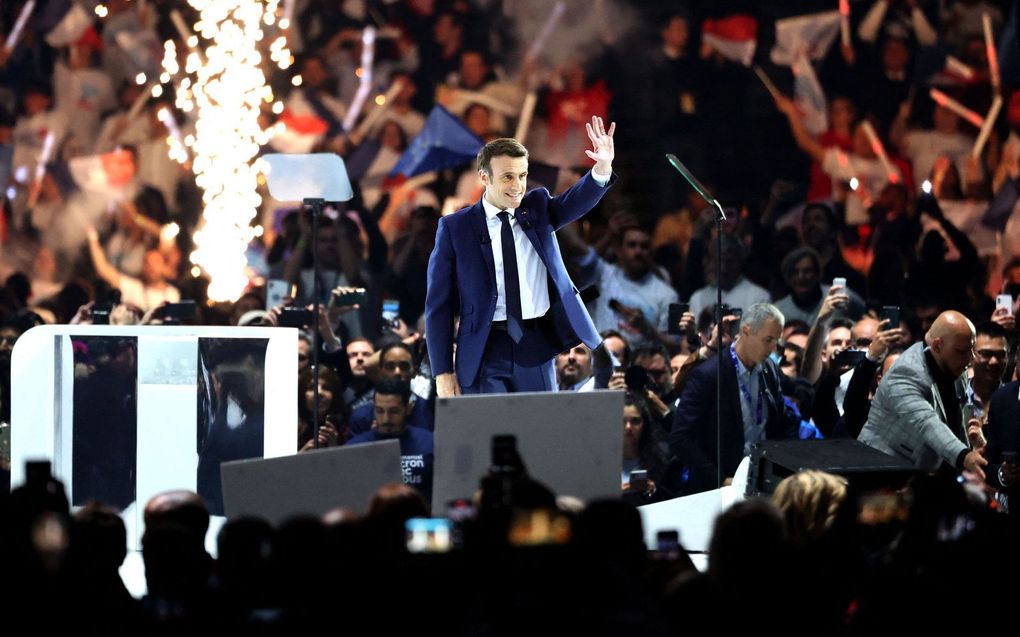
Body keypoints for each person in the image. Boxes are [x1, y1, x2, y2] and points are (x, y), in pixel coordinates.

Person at [426, 116, 616, 396]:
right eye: (507, 176)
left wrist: (601, 168)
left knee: (539, 433)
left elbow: (574, 201)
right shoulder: (456, 227)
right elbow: (438, 306)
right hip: (483, 350)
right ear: (484, 177)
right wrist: (442, 371)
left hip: (536, 344)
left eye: (522, 175)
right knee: (490, 436)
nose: (518, 185)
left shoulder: (537, 208)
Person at [669, 303, 800, 494]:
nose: (773, 348)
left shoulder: (769, 369)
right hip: (720, 488)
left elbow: (783, 419)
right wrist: (720, 478)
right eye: (768, 340)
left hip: (763, 484)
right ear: (746, 331)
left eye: (776, 341)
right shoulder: (709, 375)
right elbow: (680, 439)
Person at [858, 311, 987, 480]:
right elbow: (927, 422)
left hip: (925, 470)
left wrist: (970, 451)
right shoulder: (905, 373)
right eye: (962, 351)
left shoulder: (954, 364)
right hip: (881, 471)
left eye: (972, 349)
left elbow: (956, 415)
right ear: (938, 346)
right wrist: (965, 457)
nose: (970, 359)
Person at [346, 379, 434, 502]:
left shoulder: (430, 443)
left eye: (394, 411)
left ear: (408, 408)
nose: (386, 419)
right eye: (380, 411)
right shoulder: (354, 448)